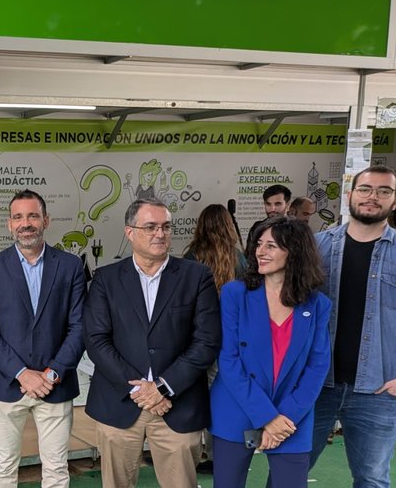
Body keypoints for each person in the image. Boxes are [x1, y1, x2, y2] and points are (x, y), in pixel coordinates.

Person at [84, 198, 220, 488]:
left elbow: (207, 341)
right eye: (150, 227)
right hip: (119, 403)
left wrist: (161, 387)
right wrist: (139, 389)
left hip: (177, 404)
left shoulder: (197, 276)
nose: (160, 233)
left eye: (166, 227)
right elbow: (96, 340)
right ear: (129, 232)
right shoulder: (106, 279)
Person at [0, 189, 86, 488]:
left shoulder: (71, 266)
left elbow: (80, 326)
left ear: (46, 220)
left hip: (55, 383)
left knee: (56, 468)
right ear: (10, 224)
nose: (26, 223)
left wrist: (51, 373)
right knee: (4, 467)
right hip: (7, 383)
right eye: (18, 217)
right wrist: (22, 373)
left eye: (33, 215)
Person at [210, 217, 331, 487]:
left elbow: (317, 366)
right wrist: (267, 416)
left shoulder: (318, 305)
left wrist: (283, 418)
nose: (260, 251)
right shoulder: (234, 294)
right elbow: (228, 361)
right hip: (237, 408)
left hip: (291, 415)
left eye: (272, 246)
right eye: (259, 244)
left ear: (295, 252)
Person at [310, 165, 396, 487]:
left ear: (394, 200)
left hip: (377, 390)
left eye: (384, 191)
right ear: (350, 195)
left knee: (372, 479)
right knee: (287, 471)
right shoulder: (317, 247)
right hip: (316, 384)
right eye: (365, 189)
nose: (373, 197)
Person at [182, 203, 248, 471]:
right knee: (221, 397)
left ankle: (195, 452)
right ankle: (217, 453)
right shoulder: (238, 257)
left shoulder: (191, 256)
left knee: (192, 395)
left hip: (197, 337)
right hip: (228, 339)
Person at [184, 204, 248, 292]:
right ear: (228, 226)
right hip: (230, 305)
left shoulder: (192, 255)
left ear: (201, 226)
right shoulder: (237, 256)